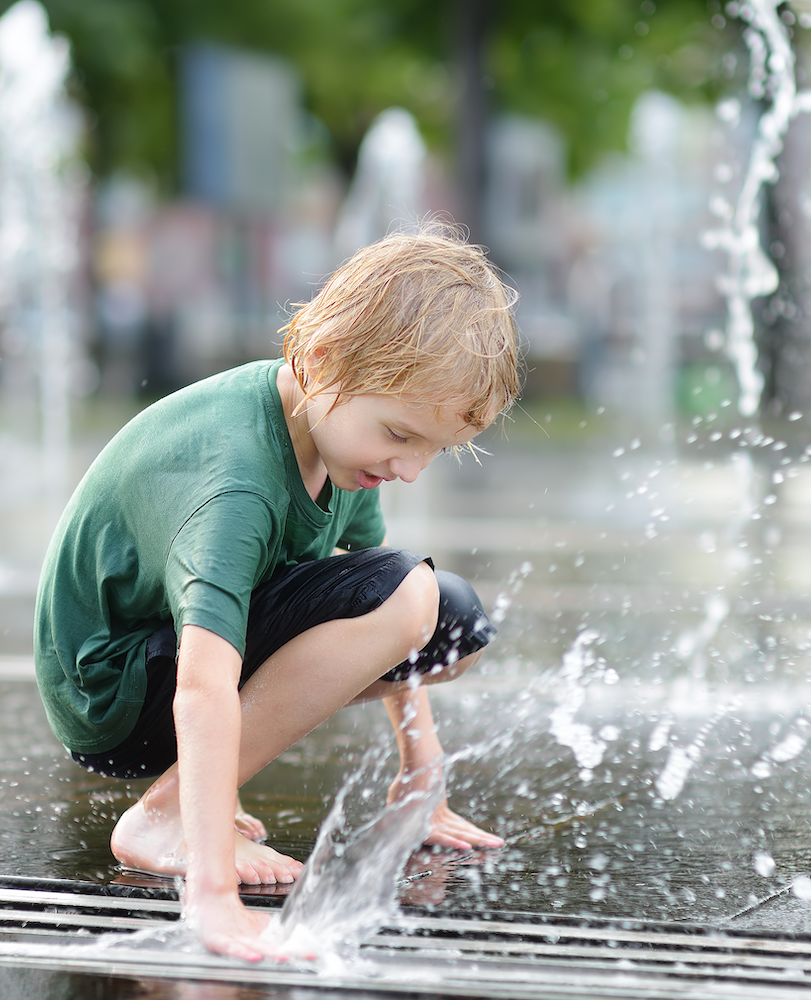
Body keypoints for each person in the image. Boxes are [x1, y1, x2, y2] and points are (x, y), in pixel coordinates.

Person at [34, 228, 520, 961]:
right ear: (322, 359)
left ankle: (192, 801)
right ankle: (164, 814)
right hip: (114, 694)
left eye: (432, 449)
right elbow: (201, 686)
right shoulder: (237, 480)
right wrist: (212, 897)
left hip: (165, 661)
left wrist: (423, 777)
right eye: (399, 434)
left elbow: (387, 594)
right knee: (411, 598)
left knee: (451, 620)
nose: (411, 468)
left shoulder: (336, 441)